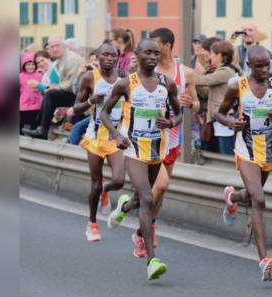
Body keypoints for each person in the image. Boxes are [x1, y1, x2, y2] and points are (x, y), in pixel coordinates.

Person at [216, 45, 272, 281]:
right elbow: (219, 114)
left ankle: (232, 197)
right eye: (260, 66)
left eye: (267, 65)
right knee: (259, 198)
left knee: (252, 194)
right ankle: (264, 259)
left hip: (271, 148)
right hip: (246, 148)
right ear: (249, 66)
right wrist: (232, 122)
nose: (265, 69)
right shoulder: (238, 87)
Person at [103, 39, 181, 280]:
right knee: (147, 198)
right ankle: (151, 260)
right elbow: (105, 112)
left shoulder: (166, 84)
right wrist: (116, 135)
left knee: (139, 199)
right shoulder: (126, 83)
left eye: (156, 53)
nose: (153, 57)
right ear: (136, 54)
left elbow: (179, 113)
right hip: (133, 149)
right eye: (147, 52)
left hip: (156, 149)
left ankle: (124, 206)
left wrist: (171, 122)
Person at [124, 27, 200, 257]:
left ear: (166, 45)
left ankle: (146, 226)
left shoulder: (185, 73)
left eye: (156, 46)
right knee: (162, 185)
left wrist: (190, 103)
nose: (152, 51)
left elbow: (196, 104)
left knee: (160, 192)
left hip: (172, 137)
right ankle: (142, 231)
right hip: (147, 139)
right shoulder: (146, 70)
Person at [72, 42, 126, 241]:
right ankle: (92, 224)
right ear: (98, 57)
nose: (110, 58)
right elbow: (76, 109)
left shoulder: (124, 79)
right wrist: (91, 102)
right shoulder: (89, 77)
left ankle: (106, 191)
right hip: (95, 137)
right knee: (94, 184)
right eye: (106, 55)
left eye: (114, 55)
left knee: (119, 180)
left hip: (115, 137)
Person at [22, 36, 84, 139]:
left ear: (64, 46)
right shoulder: (60, 60)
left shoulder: (70, 59)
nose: (55, 49)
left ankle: (42, 130)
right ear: (49, 49)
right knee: (50, 94)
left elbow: (70, 85)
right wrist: (51, 87)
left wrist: (50, 87)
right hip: (73, 93)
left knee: (51, 94)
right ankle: (40, 128)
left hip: (80, 95)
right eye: (52, 47)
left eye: (57, 46)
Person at [195, 40, 242, 155]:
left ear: (221, 56)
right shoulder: (223, 71)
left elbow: (202, 80)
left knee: (226, 157)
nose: (210, 56)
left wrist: (194, 68)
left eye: (212, 54)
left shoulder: (226, 72)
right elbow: (207, 93)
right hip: (219, 122)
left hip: (225, 122)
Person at [20, 53, 43, 133]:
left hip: (36, 106)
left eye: (32, 64)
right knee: (20, 124)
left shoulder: (40, 75)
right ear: (24, 65)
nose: (30, 67)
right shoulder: (20, 76)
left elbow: (43, 88)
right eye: (28, 64)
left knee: (34, 124)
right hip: (23, 106)